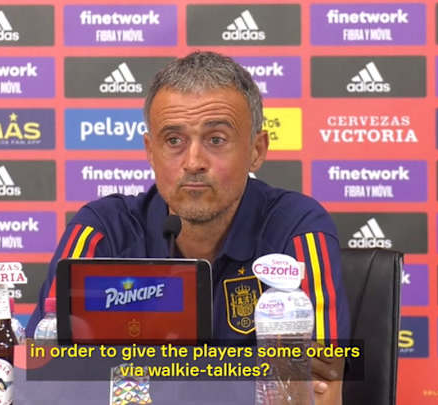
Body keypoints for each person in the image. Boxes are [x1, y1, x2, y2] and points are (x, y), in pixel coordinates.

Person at [27, 51, 350, 404]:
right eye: (174, 141)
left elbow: (319, 387)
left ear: (256, 150)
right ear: (150, 151)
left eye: (216, 139)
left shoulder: (297, 226)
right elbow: (44, 377)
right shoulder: (103, 231)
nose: (194, 162)